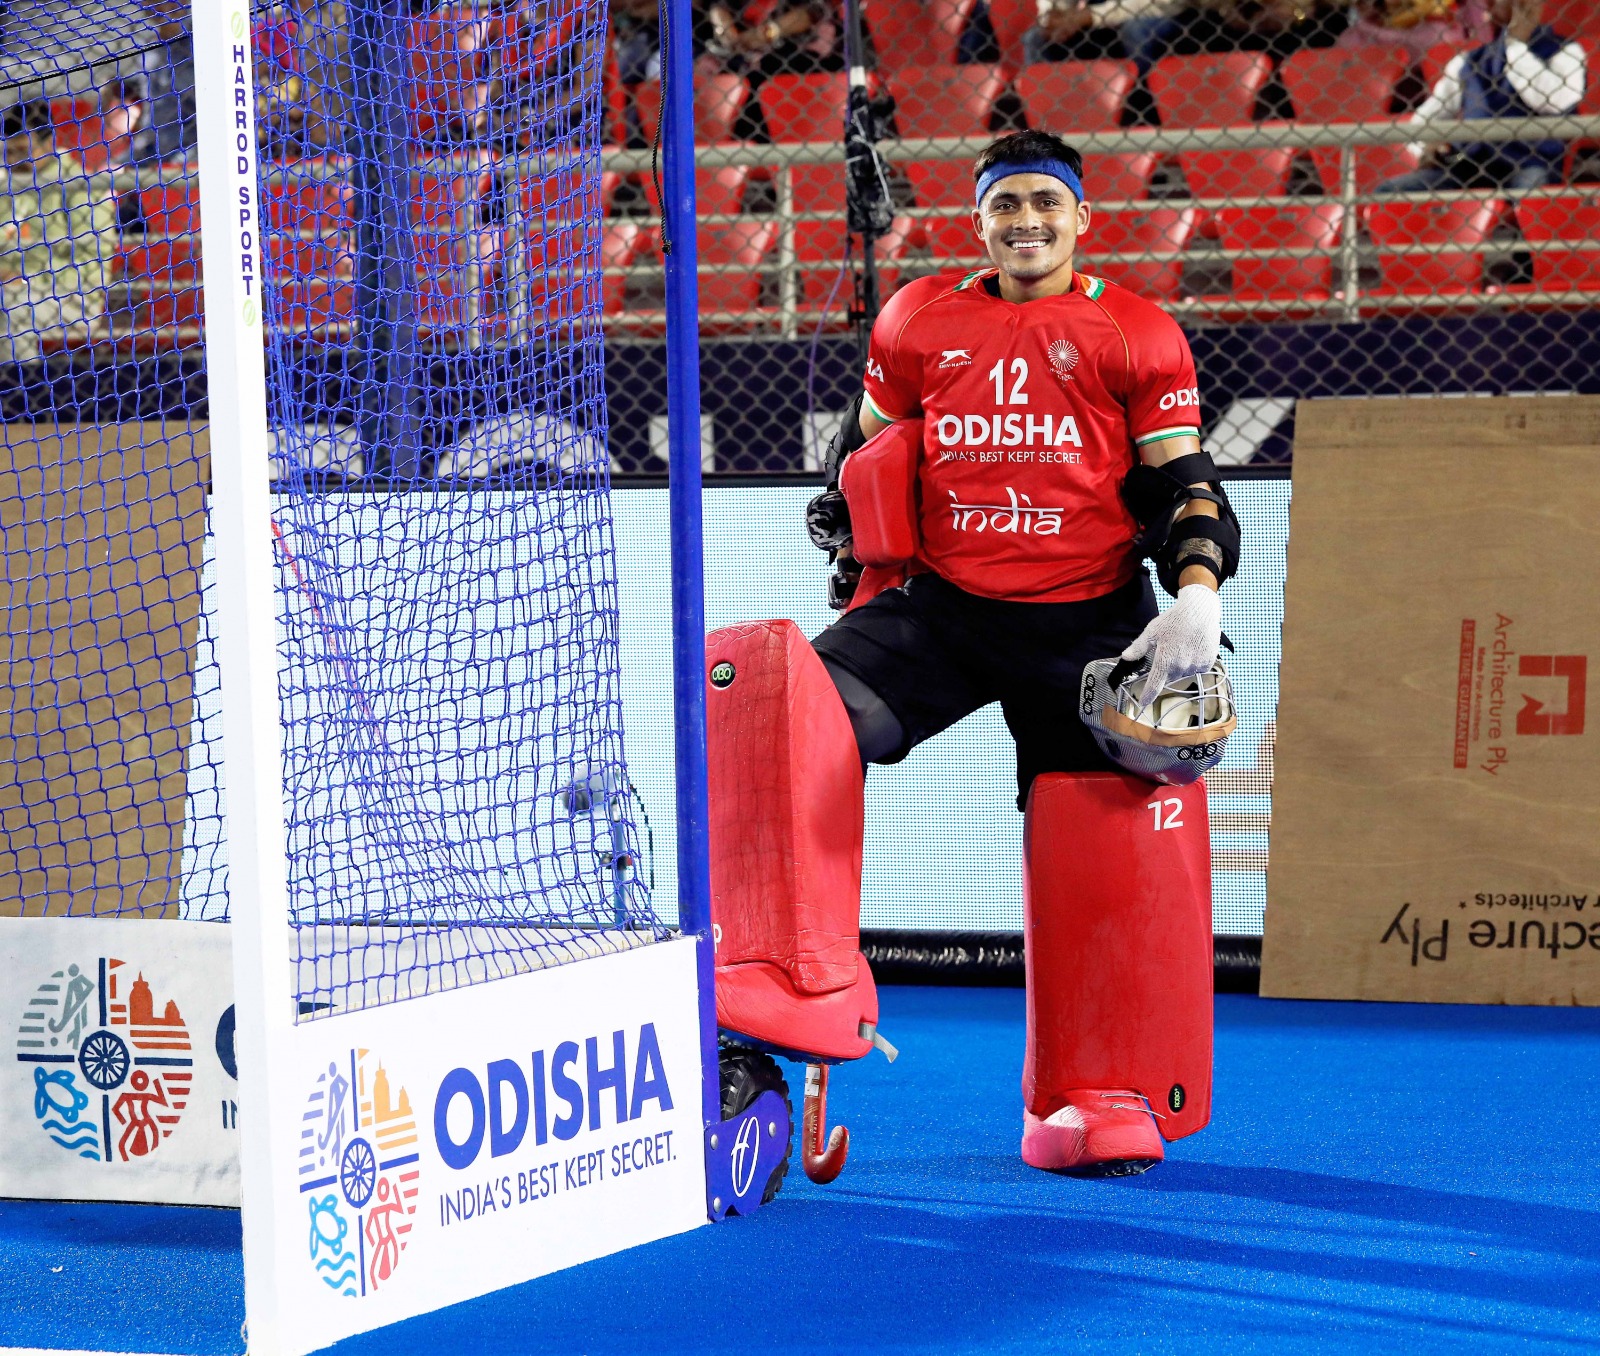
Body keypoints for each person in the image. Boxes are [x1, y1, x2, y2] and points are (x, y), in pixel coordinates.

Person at [719, 128, 1239, 1177]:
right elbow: (865, 453)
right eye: (1007, 205)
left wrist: (1194, 601)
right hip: (943, 611)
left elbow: (1183, 483)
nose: (1027, 222)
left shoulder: (1134, 333)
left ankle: (1083, 1097)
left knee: (1095, 842)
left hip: (1089, 625)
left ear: (1082, 217)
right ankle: (792, 974)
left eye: (1047, 203)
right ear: (980, 220)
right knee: (786, 711)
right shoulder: (917, 316)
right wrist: (847, 527)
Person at [1376, 0, 1586, 194]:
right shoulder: (1468, 61)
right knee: (1389, 191)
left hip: (1531, 163)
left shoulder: (1565, 51)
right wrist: (1426, 146)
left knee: (1530, 195)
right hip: (1470, 167)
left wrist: (1515, 46)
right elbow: (1422, 120)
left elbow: (1557, 103)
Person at [0, 101, 119, 366]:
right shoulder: (7, 186)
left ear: (49, 142)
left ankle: (22, 395)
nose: (13, 161)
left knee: (16, 304)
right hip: (11, 288)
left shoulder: (82, 186)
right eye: (8, 153)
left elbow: (92, 263)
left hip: (73, 296)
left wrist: (24, 278)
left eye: (22, 151)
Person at [133, 0, 197, 164]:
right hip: (151, 145)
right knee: (111, 170)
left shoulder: (198, 41)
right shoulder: (148, 47)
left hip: (189, 144)